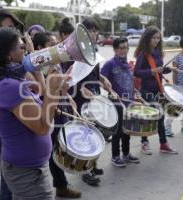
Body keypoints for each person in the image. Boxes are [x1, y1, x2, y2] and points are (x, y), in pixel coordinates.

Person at [0, 27, 70, 199]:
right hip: (26, 172)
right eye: (22, 47)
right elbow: (42, 127)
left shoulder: (13, 78)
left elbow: (42, 91)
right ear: (8, 54)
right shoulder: (9, 86)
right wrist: (53, 91)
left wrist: (50, 88)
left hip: (30, 167)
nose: (26, 50)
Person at [32, 31, 81, 198]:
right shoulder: (38, 69)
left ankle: (62, 183)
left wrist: (68, 98)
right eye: (51, 45)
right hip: (51, 112)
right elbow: (42, 93)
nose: (56, 47)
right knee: (55, 151)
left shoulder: (56, 62)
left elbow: (61, 87)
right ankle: (61, 186)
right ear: (39, 49)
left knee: (62, 146)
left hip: (62, 107)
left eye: (56, 43)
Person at [70, 17, 113, 186]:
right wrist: (80, 87)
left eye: (96, 30)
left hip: (94, 95)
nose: (94, 33)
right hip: (80, 99)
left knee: (96, 133)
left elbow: (93, 73)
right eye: (90, 30)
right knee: (85, 135)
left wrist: (102, 79)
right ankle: (85, 170)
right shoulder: (75, 51)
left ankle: (92, 165)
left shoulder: (94, 49)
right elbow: (71, 76)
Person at [134, 26, 178, 155]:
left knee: (160, 117)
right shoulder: (143, 54)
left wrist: (170, 69)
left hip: (158, 89)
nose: (156, 40)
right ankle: (144, 142)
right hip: (146, 90)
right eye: (154, 37)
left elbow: (159, 69)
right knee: (147, 117)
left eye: (158, 38)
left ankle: (163, 144)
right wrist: (151, 71)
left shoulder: (158, 53)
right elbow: (137, 72)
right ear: (147, 38)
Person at [101, 37, 140, 167]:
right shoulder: (110, 64)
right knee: (117, 132)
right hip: (116, 103)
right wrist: (111, 91)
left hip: (128, 102)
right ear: (115, 49)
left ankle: (126, 153)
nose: (124, 50)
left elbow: (128, 81)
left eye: (126, 47)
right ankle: (115, 156)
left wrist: (135, 93)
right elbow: (101, 81)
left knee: (127, 130)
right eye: (121, 48)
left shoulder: (127, 64)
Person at [165, 37, 183, 136]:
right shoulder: (177, 58)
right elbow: (174, 73)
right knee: (176, 107)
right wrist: (175, 87)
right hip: (180, 86)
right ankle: (167, 127)